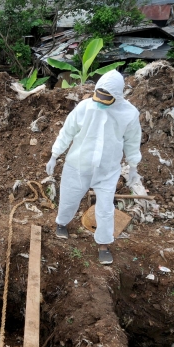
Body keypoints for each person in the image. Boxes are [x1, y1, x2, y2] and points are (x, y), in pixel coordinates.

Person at [45, 70, 141, 265]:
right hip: (78, 164)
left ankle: (104, 245)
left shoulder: (129, 114)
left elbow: (132, 141)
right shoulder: (85, 107)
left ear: (117, 96)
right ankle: (62, 223)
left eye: (107, 98)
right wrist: (55, 155)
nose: (100, 101)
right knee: (69, 197)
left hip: (108, 169)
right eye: (99, 96)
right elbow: (67, 131)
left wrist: (133, 166)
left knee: (105, 207)